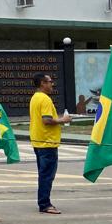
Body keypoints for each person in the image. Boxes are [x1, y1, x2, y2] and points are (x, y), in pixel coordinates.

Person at [29, 73, 71, 215]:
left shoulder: (35, 97)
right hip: (47, 142)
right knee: (47, 175)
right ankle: (45, 204)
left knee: (43, 174)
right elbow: (46, 120)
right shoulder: (45, 99)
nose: (52, 84)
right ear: (42, 83)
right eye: (50, 81)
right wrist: (63, 120)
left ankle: (43, 202)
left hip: (38, 140)